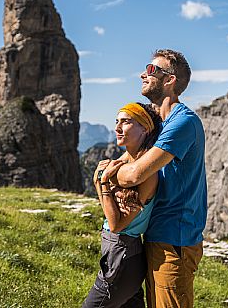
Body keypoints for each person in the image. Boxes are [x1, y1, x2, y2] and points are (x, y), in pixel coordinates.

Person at [101, 49, 207, 308]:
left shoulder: (183, 122)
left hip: (175, 240)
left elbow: (135, 174)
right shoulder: (159, 123)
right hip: (155, 236)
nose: (143, 74)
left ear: (169, 80)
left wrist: (106, 175)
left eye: (151, 70)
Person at [82, 102, 161, 308]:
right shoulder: (126, 161)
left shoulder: (147, 175)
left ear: (145, 128)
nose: (117, 128)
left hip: (123, 256)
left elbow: (117, 224)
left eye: (125, 122)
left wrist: (102, 183)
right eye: (117, 121)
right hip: (119, 254)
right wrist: (99, 181)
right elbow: (110, 211)